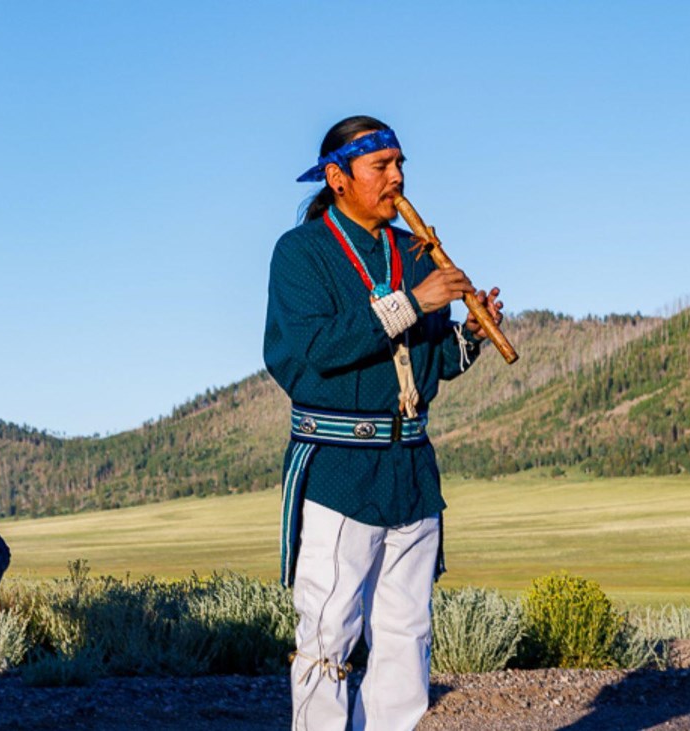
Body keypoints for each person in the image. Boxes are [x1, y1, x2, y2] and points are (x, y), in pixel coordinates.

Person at [264, 115, 503, 731]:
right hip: (340, 467)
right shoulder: (302, 252)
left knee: (407, 632)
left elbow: (431, 361)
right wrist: (415, 301)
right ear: (338, 179)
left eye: (401, 165)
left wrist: (467, 337)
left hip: (412, 469)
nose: (397, 178)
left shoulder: (409, 250)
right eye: (382, 166)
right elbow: (318, 348)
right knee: (328, 631)